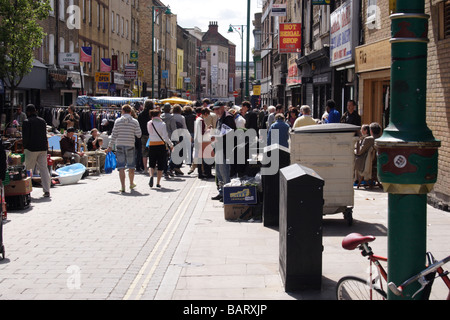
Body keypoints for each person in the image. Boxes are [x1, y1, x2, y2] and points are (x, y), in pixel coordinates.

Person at [106, 105, 142, 193]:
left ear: (122, 111)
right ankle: (131, 183)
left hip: (120, 145)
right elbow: (139, 134)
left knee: (121, 167)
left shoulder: (117, 121)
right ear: (130, 112)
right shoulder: (135, 122)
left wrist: (110, 146)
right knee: (131, 166)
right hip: (130, 145)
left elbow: (114, 135)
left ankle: (123, 186)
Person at [22, 104, 51, 198]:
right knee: (44, 169)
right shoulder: (42, 121)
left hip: (31, 149)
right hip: (42, 148)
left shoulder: (26, 122)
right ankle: (47, 191)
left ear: (28, 112)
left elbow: (25, 137)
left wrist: (24, 147)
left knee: (27, 170)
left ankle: (26, 191)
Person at [211, 101, 236, 201]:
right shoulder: (220, 118)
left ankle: (227, 194)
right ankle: (221, 192)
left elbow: (230, 133)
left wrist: (216, 137)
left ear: (223, 107)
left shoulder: (228, 117)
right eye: (214, 109)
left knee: (225, 172)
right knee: (219, 172)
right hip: (219, 148)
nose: (216, 111)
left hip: (226, 149)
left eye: (217, 109)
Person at [147, 109, 174, 188]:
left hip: (151, 145)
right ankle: (158, 183)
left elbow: (150, 133)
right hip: (161, 145)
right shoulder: (162, 124)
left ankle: (151, 176)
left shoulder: (149, 123)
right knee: (160, 165)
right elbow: (165, 137)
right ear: (159, 115)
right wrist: (171, 144)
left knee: (151, 164)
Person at [169, 104, 187, 176]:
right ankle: (177, 167)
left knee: (172, 151)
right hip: (180, 135)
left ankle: (173, 168)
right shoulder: (181, 117)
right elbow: (184, 127)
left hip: (172, 135)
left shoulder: (171, 116)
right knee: (180, 152)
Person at [138, 100, 154, 173]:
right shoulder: (153, 114)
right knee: (152, 152)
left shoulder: (141, 114)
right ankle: (151, 168)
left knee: (144, 152)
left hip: (143, 134)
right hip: (152, 135)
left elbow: (139, 125)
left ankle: (145, 169)